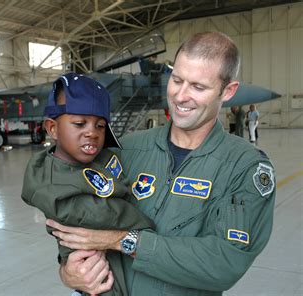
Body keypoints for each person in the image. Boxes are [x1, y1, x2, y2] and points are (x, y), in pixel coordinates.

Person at [47, 32, 276, 295]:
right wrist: (69, 271)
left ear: (228, 91)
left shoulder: (245, 167)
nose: (180, 96)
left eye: (198, 87)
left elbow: (224, 261)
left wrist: (124, 241)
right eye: (176, 80)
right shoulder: (124, 148)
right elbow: (75, 211)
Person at [21, 73, 154, 296]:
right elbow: (99, 215)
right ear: (53, 128)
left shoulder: (99, 157)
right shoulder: (49, 181)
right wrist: (144, 227)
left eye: (100, 126)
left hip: (116, 253)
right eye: (79, 123)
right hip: (92, 267)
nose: (92, 132)